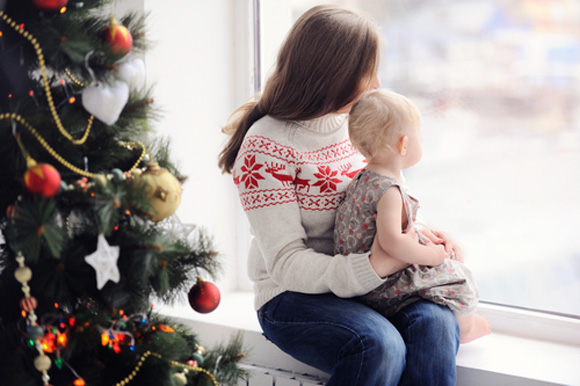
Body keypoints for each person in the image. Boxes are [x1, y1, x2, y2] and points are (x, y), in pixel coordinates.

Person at [219, 5, 460, 385]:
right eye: (368, 72)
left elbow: (382, 196)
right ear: (336, 74)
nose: (378, 83)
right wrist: (376, 265)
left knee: (436, 324)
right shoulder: (265, 146)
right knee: (378, 345)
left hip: (362, 283)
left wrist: (424, 236)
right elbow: (286, 263)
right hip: (291, 296)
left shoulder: (358, 123)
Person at [335, 88, 492, 344]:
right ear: (404, 144)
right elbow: (392, 243)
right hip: (380, 287)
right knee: (459, 276)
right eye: (418, 136)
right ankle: (465, 328)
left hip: (365, 283)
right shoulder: (389, 191)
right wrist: (433, 255)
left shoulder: (363, 179)